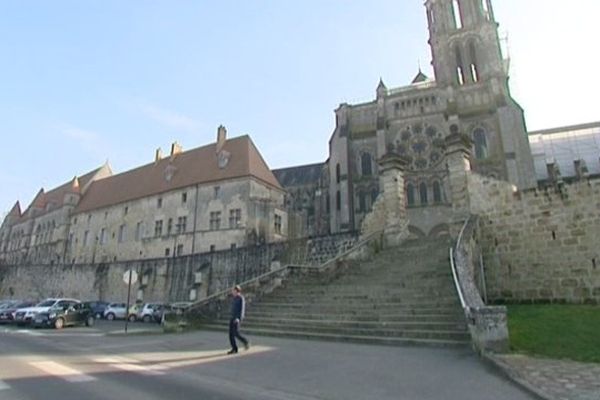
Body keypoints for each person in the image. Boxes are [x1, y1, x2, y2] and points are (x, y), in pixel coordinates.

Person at [227, 285, 250, 354]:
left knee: (236, 333)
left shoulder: (241, 298)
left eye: (233, 291)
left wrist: (238, 318)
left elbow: (242, 309)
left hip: (237, 318)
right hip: (232, 317)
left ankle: (245, 342)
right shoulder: (234, 298)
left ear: (237, 291)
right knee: (231, 334)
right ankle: (234, 348)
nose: (232, 292)